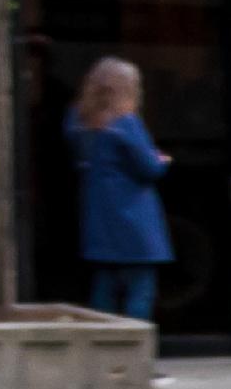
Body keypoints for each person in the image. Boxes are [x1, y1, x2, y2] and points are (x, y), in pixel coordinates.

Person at [65, 57, 173, 320]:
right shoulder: (126, 122)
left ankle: (104, 346)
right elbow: (149, 168)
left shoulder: (78, 121)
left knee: (104, 287)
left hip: (100, 218)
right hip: (133, 219)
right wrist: (161, 159)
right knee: (140, 290)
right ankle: (133, 347)